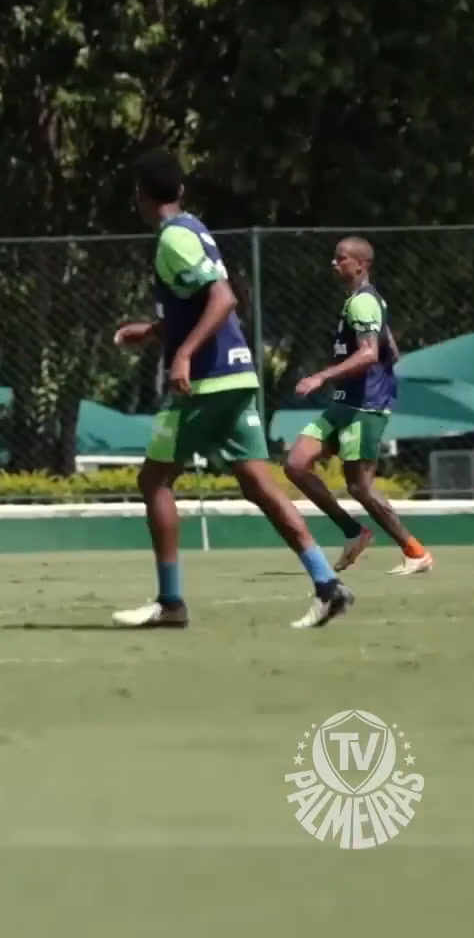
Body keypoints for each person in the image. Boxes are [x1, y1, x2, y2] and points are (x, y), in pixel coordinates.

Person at [111, 150, 353, 629]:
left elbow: (222, 299)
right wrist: (156, 333)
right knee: (259, 484)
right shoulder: (195, 229)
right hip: (239, 374)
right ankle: (328, 585)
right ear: (179, 191)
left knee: (154, 481)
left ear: (139, 195)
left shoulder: (172, 240)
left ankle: (171, 601)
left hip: (207, 381)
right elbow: (201, 302)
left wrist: (181, 355)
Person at [284, 236, 433, 576]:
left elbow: (370, 354)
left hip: (365, 406)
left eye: (341, 259)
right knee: (295, 463)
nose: (334, 264)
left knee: (360, 487)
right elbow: (390, 349)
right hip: (344, 403)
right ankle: (354, 532)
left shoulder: (363, 303)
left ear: (360, 265)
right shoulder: (361, 302)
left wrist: (321, 376)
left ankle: (415, 551)